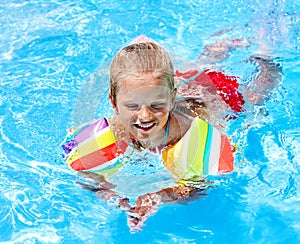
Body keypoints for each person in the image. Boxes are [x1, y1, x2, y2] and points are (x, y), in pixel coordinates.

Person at [62, 35, 282, 232]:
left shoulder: (187, 133)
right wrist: (113, 197)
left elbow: (198, 187)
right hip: (179, 85)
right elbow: (85, 175)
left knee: (255, 97)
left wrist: (161, 196)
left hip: (214, 99)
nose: (145, 116)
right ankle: (221, 45)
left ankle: (266, 56)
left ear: (170, 98)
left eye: (156, 105)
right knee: (196, 67)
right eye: (132, 106)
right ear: (113, 102)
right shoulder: (111, 131)